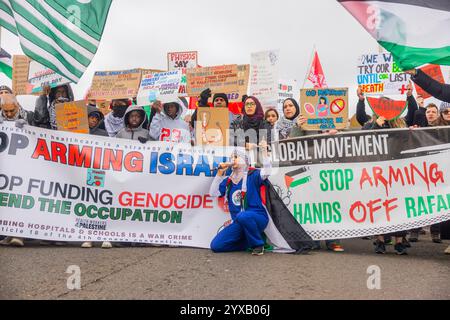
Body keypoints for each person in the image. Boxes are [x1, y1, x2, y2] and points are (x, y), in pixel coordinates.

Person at [209, 144, 272, 255]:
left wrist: (264, 153)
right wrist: (219, 173)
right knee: (216, 246)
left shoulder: (253, 174)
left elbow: (267, 172)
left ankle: (258, 245)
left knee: (243, 215)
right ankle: (248, 243)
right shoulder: (228, 181)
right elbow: (213, 193)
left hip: (257, 217)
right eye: (232, 157)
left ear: (245, 160)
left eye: (236, 157)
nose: (233, 160)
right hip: (239, 222)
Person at [0, 94, 34, 247]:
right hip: (4, 167)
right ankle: (8, 233)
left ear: (17, 106)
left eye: (11, 111)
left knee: (18, 199)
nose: (8, 114)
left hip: (21, 167)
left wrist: (27, 128)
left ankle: (18, 234)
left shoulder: (28, 117)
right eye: (5, 111)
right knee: (5, 201)